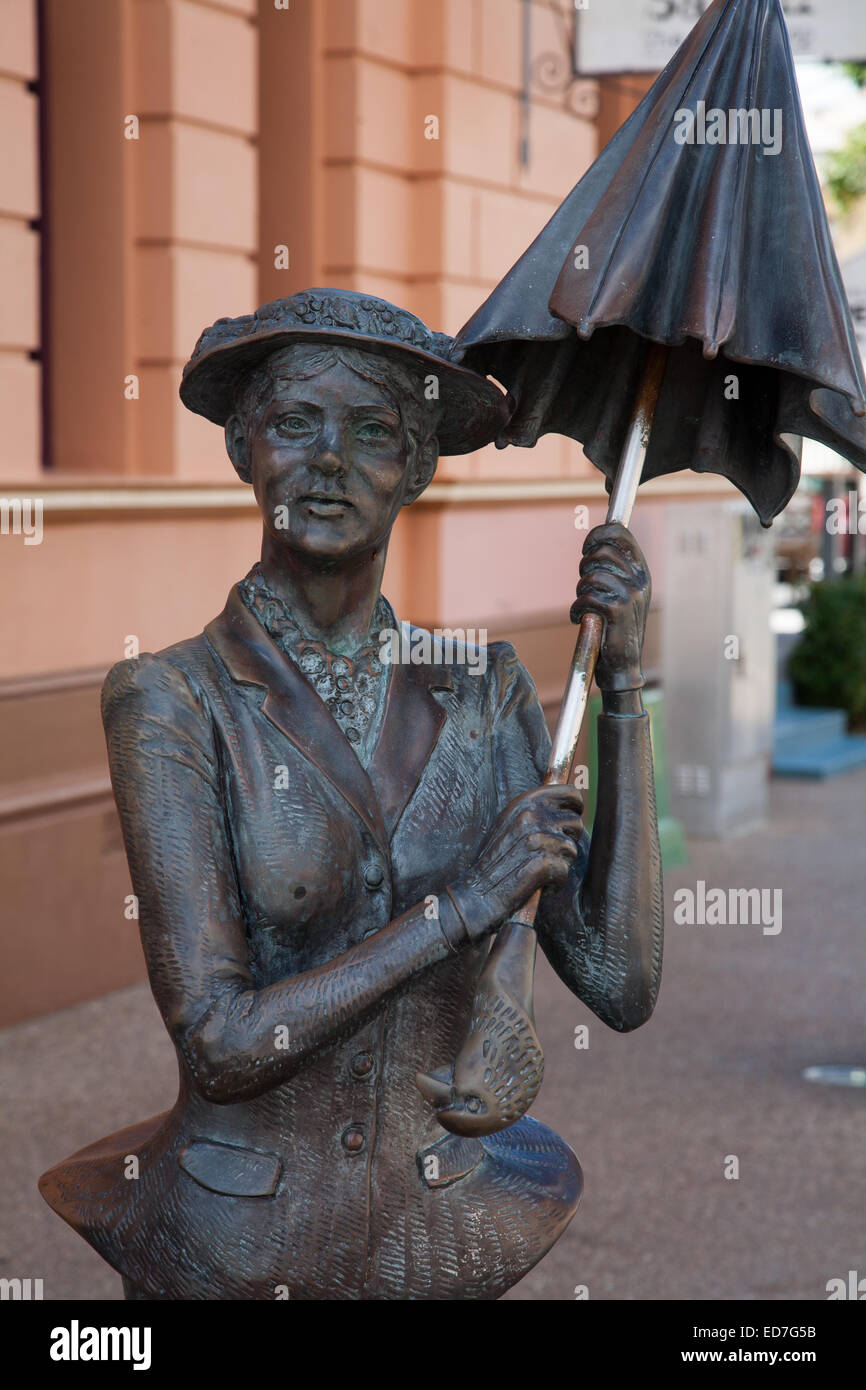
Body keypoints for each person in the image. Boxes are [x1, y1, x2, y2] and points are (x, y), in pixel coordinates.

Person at [39, 290, 663, 1300]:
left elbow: (619, 983)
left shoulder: (482, 686)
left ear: (416, 468)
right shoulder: (170, 698)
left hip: (442, 1234)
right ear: (245, 448)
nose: (330, 462)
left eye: (373, 432)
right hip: (235, 1248)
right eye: (296, 423)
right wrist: (462, 903)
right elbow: (221, 1042)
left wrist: (627, 686)